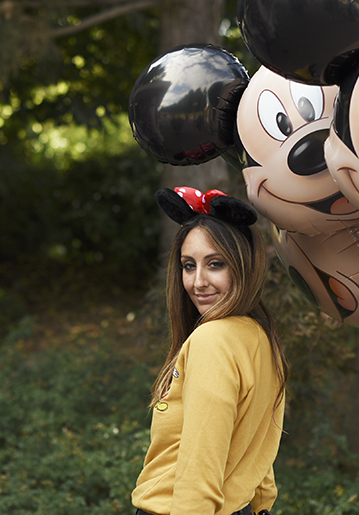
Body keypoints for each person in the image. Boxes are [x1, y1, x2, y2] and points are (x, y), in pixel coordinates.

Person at [131, 187, 289, 515]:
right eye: (189, 266)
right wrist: (261, 507)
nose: (198, 281)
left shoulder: (211, 342)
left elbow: (198, 475)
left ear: (242, 266)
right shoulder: (261, 337)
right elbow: (257, 452)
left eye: (215, 264)